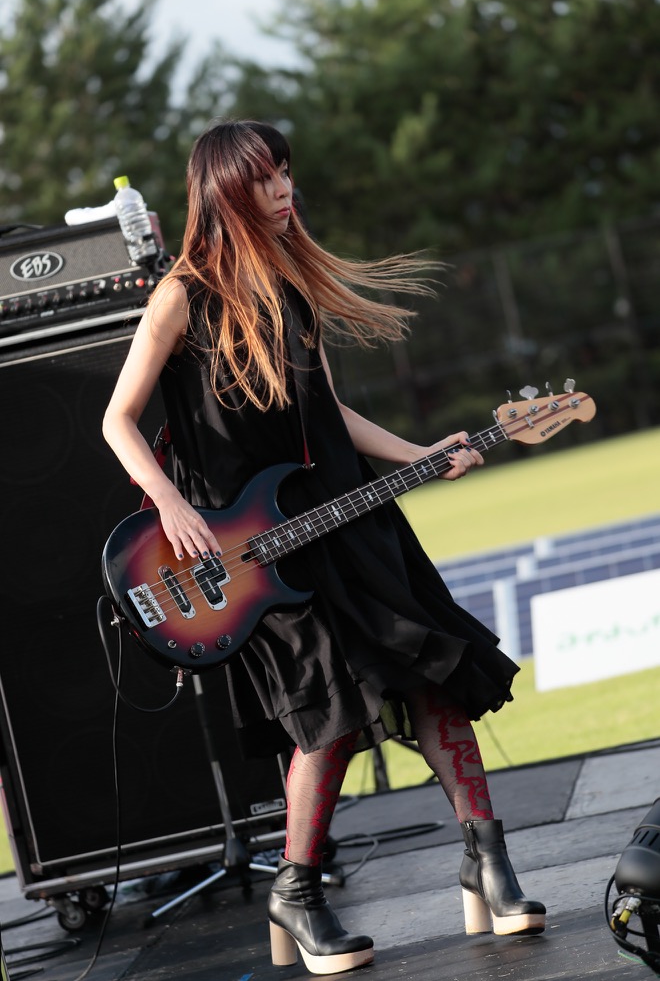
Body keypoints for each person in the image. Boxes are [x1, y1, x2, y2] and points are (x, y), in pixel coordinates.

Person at [102, 119, 545, 975]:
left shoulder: (291, 286)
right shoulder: (182, 295)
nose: (284, 190)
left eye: (286, 174)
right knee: (329, 713)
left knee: (434, 674)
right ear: (225, 190)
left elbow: (326, 414)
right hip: (251, 554)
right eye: (266, 178)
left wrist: (420, 454)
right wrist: (172, 504)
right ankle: (297, 891)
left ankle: (488, 862)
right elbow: (118, 419)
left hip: (347, 517)